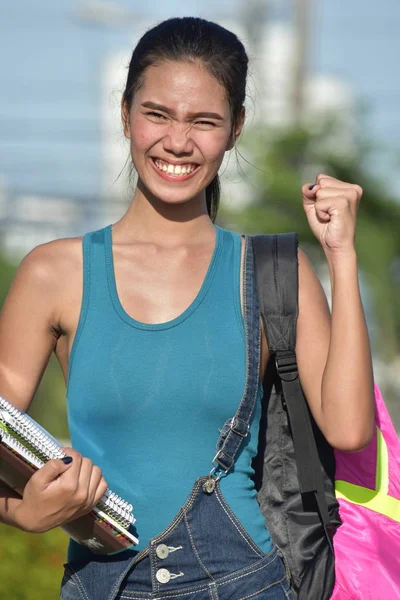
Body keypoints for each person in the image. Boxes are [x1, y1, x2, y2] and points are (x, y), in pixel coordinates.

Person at [0, 16, 374, 600]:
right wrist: (21, 513)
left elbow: (349, 428)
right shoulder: (54, 272)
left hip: (245, 581)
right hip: (102, 583)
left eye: (204, 121)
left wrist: (341, 255)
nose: (178, 142)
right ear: (124, 113)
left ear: (235, 129)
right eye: (157, 114)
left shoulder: (272, 271)